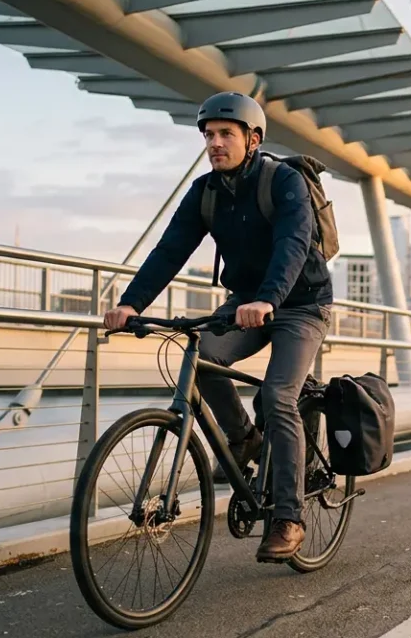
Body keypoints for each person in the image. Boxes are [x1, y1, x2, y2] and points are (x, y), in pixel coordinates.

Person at [104, 91, 332, 562]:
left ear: (253, 140)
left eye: (226, 134)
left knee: (278, 394)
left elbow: (292, 243)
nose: (215, 143)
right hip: (246, 303)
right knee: (201, 357)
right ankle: (246, 440)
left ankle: (288, 518)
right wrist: (130, 304)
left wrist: (268, 299)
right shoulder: (205, 192)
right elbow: (170, 250)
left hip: (302, 304)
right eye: (208, 135)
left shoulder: (283, 181)